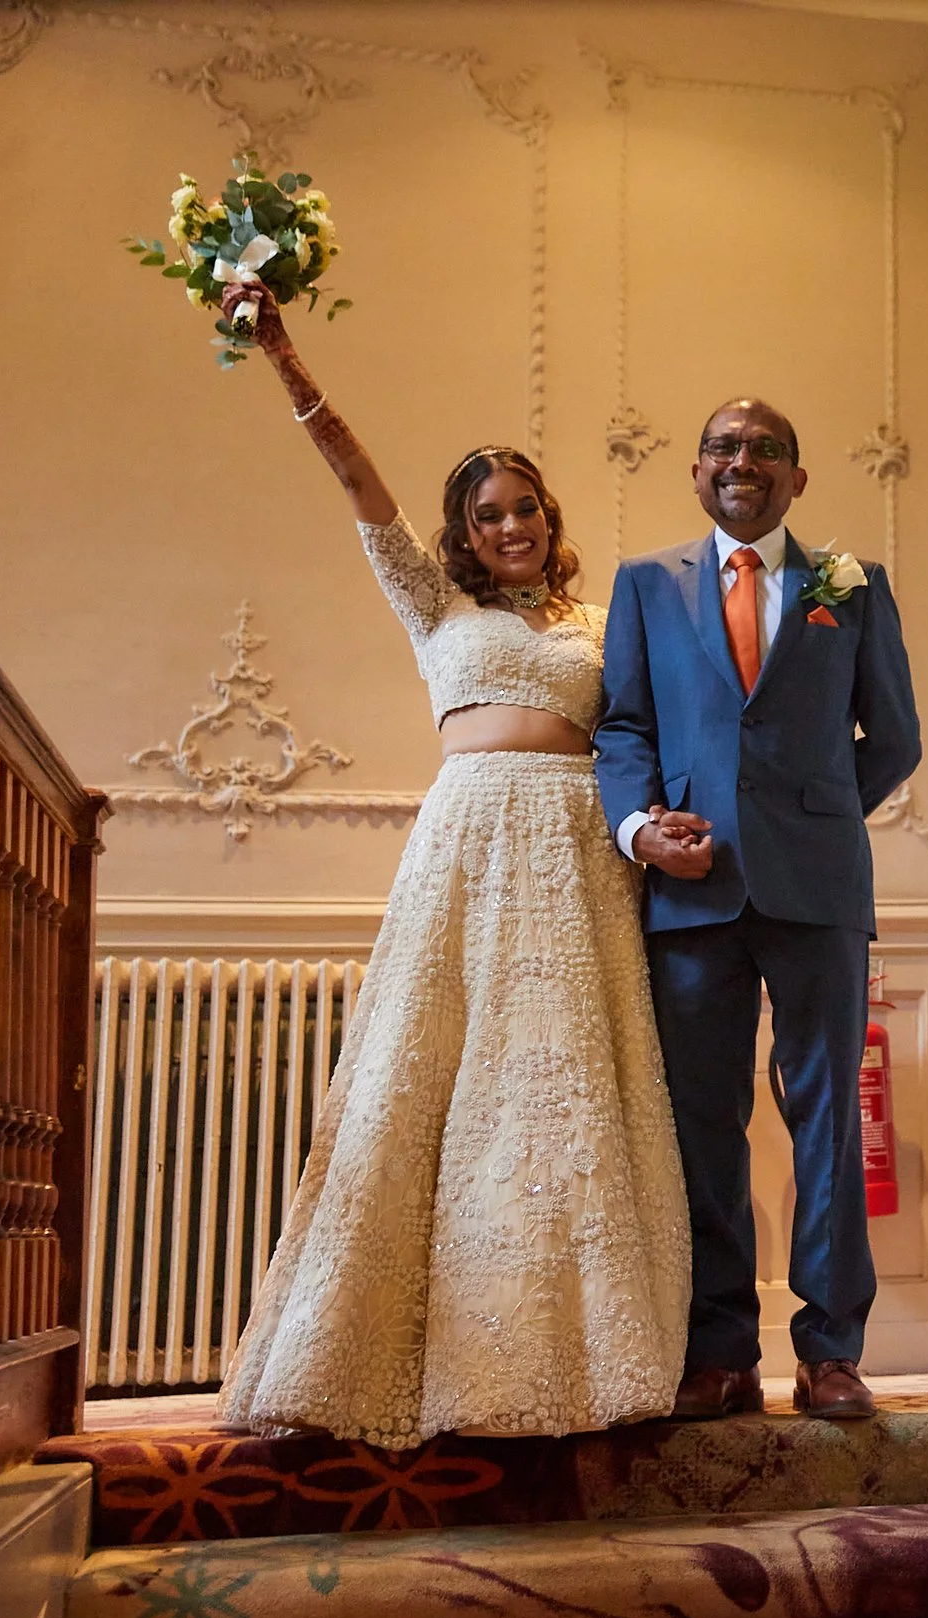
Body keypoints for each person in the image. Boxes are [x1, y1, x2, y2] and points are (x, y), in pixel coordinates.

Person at [211, 281, 691, 1447]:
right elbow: (357, 485)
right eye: (487, 514)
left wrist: (661, 825)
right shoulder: (431, 605)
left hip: (580, 848)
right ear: (461, 534)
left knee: (566, 1092)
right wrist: (284, 357)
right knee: (429, 1088)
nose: (510, 525)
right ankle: (391, 1356)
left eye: (523, 507)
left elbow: (644, 734)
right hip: (469, 842)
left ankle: (583, 1364)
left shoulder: (598, 618)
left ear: (547, 513)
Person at [595, 398, 921, 1421]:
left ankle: (831, 1350)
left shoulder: (852, 588)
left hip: (818, 888)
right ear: (697, 472)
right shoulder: (646, 584)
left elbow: (896, 738)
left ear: (797, 477)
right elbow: (621, 728)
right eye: (726, 448)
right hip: (690, 891)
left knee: (827, 1116)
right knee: (702, 1124)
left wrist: (812, 820)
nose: (745, 462)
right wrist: (642, 827)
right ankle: (720, 1348)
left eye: (767, 449)